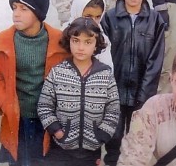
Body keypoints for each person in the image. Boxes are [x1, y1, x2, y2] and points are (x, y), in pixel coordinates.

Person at [0, 0, 69, 166]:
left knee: (45, 161)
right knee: (19, 160)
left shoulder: (60, 42)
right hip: (17, 118)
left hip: (48, 118)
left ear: (38, 13)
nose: (16, 13)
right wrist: (4, 104)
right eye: (14, 7)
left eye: (23, 8)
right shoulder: (2, 42)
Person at [100, 0, 166, 166]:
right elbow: (103, 57)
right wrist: (109, 89)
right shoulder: (109, 18)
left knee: (138, 139)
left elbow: (155, 62)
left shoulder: (155, 20)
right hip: (115, 92)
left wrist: (144, 96)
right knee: (114, 139)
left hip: (141, 94)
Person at [37, 17, 120, 166]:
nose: (81, 47)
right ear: (69, 41)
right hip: (60, 151)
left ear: (96, 44)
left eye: (88, 42)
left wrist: (101, 135)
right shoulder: (58, 72)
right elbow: (44, 106)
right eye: (76, 40)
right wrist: (57, 131)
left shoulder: (105, 75)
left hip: (91, 152)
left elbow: (113, 111)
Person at [62, 0, 113, 70]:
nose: (93, 21)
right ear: (78, 11)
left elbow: (108, 69)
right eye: (88, 16)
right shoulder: (63, 34)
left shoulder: (102, 38)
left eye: (98, 17)